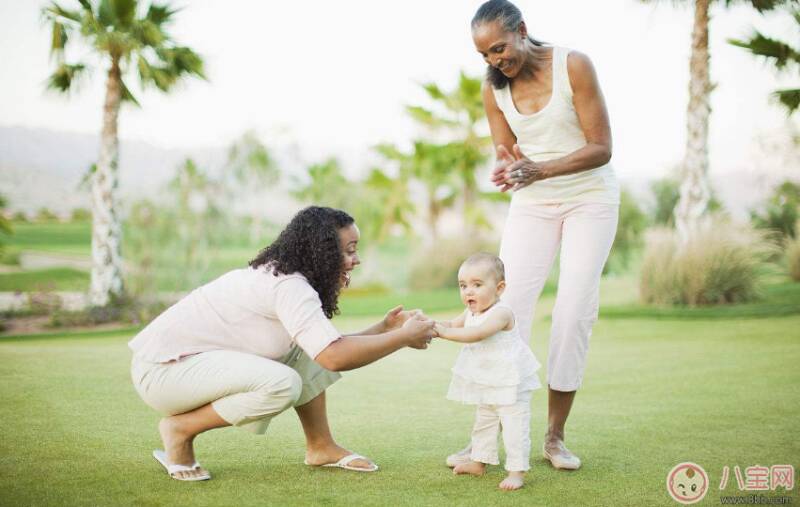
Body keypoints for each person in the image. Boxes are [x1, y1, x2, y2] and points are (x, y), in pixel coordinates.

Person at [129, 206, 436, 481]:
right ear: (322, 252)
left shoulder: (286, 275)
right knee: (282, 383)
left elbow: (327, 346)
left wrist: (385, 328)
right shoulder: (289, 286)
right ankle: (180, 430)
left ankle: (321, 447)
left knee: (305, 350)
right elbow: (334, 357)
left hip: (180, 367)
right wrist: (402, 337)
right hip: (164, 373)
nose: (355, 259)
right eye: (349, 250)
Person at [447, 0, 620, 471]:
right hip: (534, 201)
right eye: (484, 55)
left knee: (572, 309)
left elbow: (601, 148)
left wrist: (538, 169)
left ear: (522, 30)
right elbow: (506, 150)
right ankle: (483, 441)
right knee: (504, 310)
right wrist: (505, 169)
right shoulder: (493, 88)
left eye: (499, 48)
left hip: (590, 197)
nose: (494, 61)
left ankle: (554, 437)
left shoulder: (574, 65)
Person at [435, 253, 541, 491]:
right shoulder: (471, 313)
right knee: (484, 420)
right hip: (488, 380)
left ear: (499, 288)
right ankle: (478, 461)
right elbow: (452, 325)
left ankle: (517, 471)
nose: (468, 292)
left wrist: (442, 333)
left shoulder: (501, 313)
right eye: (463, 286)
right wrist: (431, 326)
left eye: (477, 285)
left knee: (514, 426)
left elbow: (477, 334)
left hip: (510, 382)